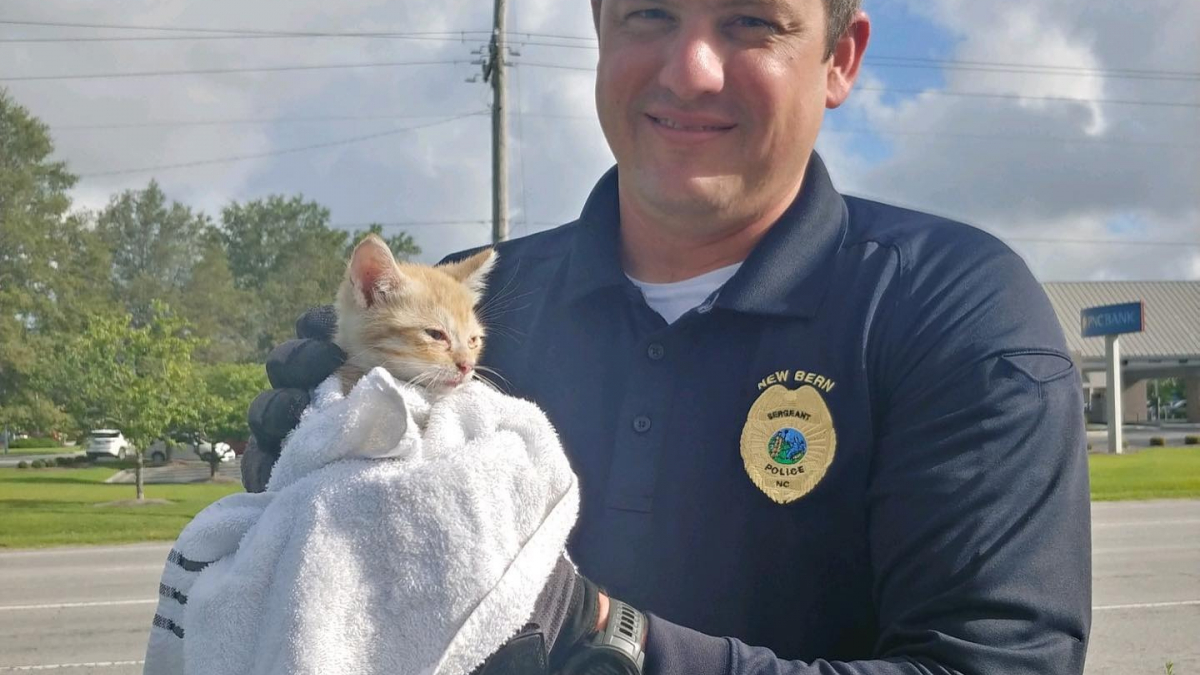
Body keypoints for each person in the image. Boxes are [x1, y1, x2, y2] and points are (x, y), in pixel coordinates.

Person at [244, 0, 1092, 673]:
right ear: (599, 28)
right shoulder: (481, 305)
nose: (690, 72)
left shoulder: (955, 313)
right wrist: (312, 480)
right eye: (650, 13)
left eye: (752, 21)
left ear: (840, 58)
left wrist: (603, 637)